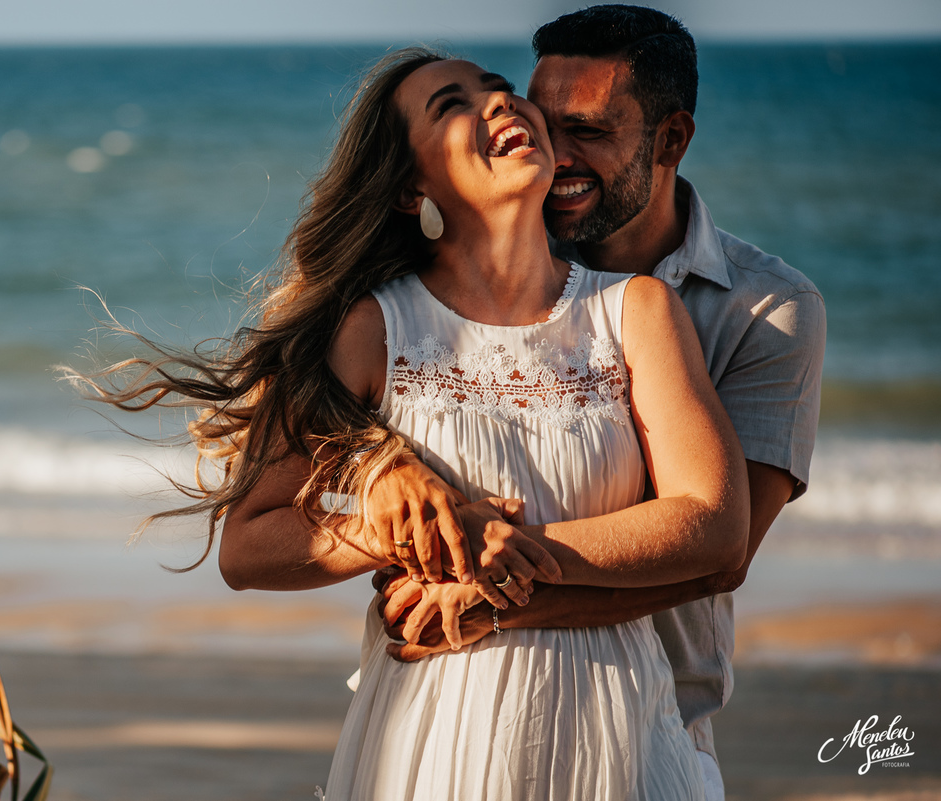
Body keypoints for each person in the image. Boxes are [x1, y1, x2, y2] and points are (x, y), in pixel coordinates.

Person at [210, 47, 753, 798]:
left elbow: (715, 523)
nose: (498, 102)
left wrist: (506, 553)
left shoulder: (634, 310)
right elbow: (247, 546)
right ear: (412, 187)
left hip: (616, 732)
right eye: (452, 105)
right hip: (435, 733)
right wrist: (394, 527)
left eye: (499, 89)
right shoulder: (373, 330)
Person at [366, 7, 827, 800]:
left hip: (651, 720)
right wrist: (376, 468)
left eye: (588, 131)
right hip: (446, 706)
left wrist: (492, 592)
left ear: (670, 140)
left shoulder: (768, 310)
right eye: (546, 123)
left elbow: (720, 555)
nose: (556, 152)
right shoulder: (484, 257)